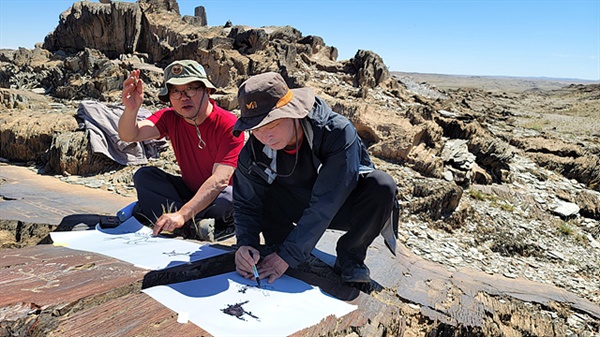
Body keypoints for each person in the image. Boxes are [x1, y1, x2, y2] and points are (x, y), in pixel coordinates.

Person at [232, 72, 398, 284]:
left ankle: (351, 257)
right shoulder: (253, 151)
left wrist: (289, 255)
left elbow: (328, 200)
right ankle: (278, 243)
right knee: (260, 189)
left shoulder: (337, 132)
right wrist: (246, 244)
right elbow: (246, 203)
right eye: (256, 129)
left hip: (340, 205)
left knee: (382, 186)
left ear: (293, 113)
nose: (266, 137)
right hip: (295, 203)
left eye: (272, 125)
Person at [119, 60, 244, 239]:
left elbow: (220, 180)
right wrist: (132, 109)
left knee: (230, 197)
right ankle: (195, 224)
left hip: (218, 195)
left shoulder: (228, 123)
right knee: (145, 176)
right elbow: (129, 135)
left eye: (191, 89)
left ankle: (179, 220)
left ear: (207, 91)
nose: (184, 97)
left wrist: (182, 214)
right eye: (176, 92)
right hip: (189, 191)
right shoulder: (170, 117)